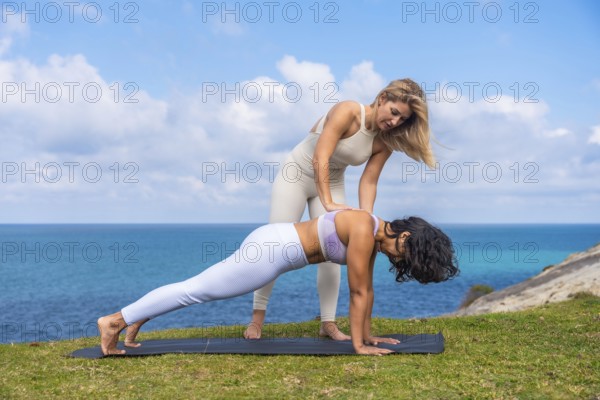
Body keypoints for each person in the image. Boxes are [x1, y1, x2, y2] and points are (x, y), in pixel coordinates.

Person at [97, 209, 458, 356]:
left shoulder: (371, 230)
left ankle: (136, 317)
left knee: (196, 287)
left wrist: (368, 333)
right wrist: (359, 346)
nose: (400, 260)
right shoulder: (365, 228)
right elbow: (359, 291)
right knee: (197, 290)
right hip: (271, 253)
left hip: (273, 241)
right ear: (405, 235)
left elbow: (368, 291)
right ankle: (115, 320)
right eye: (406, 254)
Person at [246, 78, 436, 340]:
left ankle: (328, 323)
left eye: (402, 120)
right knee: (272, 250)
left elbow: (369, 181)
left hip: (333, 181)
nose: (394, 122)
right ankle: (257, 319)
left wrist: (367, 224)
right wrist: (328, 203)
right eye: (394, 113)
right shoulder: (348, 111)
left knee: (332, 255)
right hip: (296, 175)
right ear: (382, 99)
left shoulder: (385, 141)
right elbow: (320, 157)